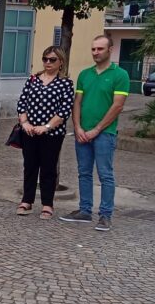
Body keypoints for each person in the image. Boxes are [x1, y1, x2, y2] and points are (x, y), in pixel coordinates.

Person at [60, 35, 130, 232]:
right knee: (84, 173)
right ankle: (84, 211)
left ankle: (105, 215)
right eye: (93, 49)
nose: (95, 53)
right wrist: (78, 127)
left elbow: (117, 106)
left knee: (105, 175)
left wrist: (96, 130)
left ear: (110, 50)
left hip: (104, 133)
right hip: (83, 133)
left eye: (100, 49)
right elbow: (77, 102)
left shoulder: (120, 75)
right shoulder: (85, 74)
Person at [14, 46, 74, 220]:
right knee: (30, 166)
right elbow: (22, 102)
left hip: (52, 134)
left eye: (52, 59)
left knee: (48, 168)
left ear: (61, 62)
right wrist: (24, 122)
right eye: (45, 59)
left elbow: (64, 111)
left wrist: (46, 126)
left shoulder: (65, 84)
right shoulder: (33, 79)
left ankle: (47, 204)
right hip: (30, 132)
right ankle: (27, 200)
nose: (48, 62)